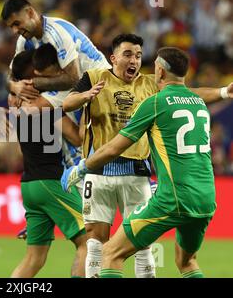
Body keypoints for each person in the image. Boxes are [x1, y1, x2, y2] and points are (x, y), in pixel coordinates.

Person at [62, 34, 233, 278]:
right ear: (113, 58)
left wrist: (80, 168)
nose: (135, 60)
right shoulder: (94, 77)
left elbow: (113, 148)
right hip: (199, 194)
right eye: (129, 54)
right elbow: (67, 103)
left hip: (140, 176)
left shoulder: (152, 94)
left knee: (124, 251)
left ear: (160, 72)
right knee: (98, 244)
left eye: (140, 56)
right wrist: (85, 97)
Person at [8, 48, 89, 278]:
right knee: (89, 241)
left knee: (34, 259)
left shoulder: (18, 104)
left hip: (29, 185)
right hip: (50, 181)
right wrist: (87, 107)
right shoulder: (44, 108)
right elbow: (76, 137)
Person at [1, 0, 110, 107]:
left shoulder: (57, 33)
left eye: (17, 23)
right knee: (13, 98)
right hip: (76, 85)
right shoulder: (24, 40)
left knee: (29, 108)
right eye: (11, 27)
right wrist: (14, 86)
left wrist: (32, 84)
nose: (14, 31)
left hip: (98, 82)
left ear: (29, 13)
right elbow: (11, 74)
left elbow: (73, 79)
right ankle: (66, 124)